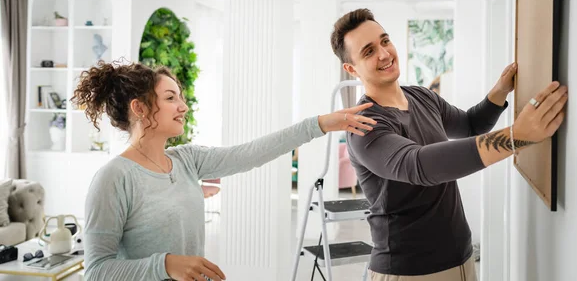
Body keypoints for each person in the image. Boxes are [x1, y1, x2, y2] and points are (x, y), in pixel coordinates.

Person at [72, 60, 377, 281]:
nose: (183, 106)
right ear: (139, 108)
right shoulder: (114, 178)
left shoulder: (186, 160)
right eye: (170, 98)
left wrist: (320, 124)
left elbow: (251, 153)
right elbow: (97, 271)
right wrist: (164, 265)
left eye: (180, 96)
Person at [329, 9, 568, 281]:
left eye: (385, 41)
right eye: (369, 51)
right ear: (351, 68)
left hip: (461, 258)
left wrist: (500, 91)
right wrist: (515, 136)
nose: (384, 54)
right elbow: (418, 165)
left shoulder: (421, 96)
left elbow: (469, 126)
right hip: (408, 271)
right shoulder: (363, 125)